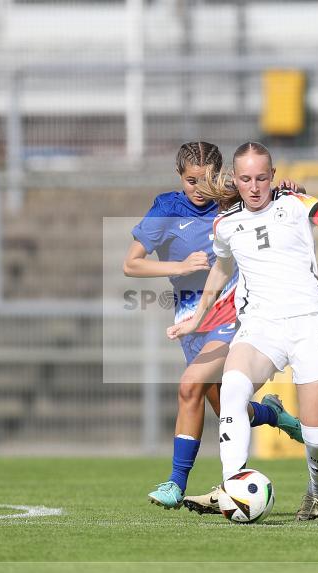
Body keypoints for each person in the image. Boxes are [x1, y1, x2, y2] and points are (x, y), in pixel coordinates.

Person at [168, 142, 318, 520]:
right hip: (261, 327)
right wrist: (197, 319)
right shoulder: (226, 224)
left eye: (262, 177)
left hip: (310, 324)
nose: (255, 186)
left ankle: (315, 491)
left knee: (317, 437)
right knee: (233, 392)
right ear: (236, 181)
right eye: (245, 179)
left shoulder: (296, 204)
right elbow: (222, 270)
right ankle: (231, 488)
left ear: (273, 176)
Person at [123, 141, 304, 511]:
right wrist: (179, 268)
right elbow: (132, 264)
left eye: (207, 180)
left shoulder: (231, 198)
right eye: (191, 181)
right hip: (191, 316)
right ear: (179, 177)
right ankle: (271, 413)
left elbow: (267, 195)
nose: (199, 189)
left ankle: (175, 483)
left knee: (189, 387)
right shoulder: (167, 209)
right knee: (228, 408)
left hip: (233, 308)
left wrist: (288, 190)